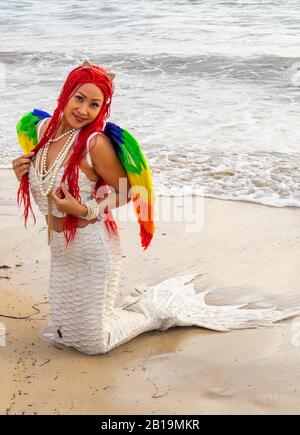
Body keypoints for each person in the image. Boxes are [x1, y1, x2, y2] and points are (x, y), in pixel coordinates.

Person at [11, 60, 300, 355]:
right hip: (61, 249)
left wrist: (83, 209)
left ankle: (153, 315)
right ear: (66, 93)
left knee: (93, 344)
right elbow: (44, 180)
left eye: (95, 105)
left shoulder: (94, 143)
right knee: (64, 333)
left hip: (92, 250)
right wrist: (22, 171)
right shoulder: (43, 131)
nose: (84, 110)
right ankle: (123, 311)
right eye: (80, 98)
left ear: (102, 110)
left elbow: (127, 190)